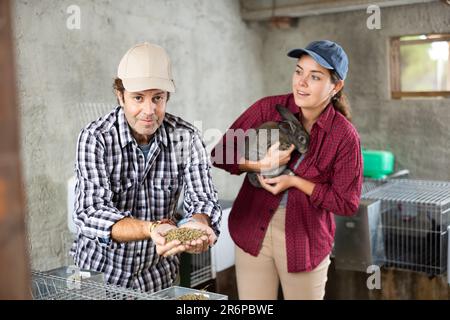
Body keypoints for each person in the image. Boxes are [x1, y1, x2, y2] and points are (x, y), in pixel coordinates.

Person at [211, 40, 363, 300]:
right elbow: (220, 153)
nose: (301, 83)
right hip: (252, 227)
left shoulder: (344, 136)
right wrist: (259, 165)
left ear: (336, 86)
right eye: (298, 71)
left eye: (314, 76)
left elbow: (346, 203)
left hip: (303, 239)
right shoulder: (267, 108)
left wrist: (295, 182)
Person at [70, 42, 221, 293]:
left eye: (157, 98)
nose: (149, 111)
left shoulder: (187, 137)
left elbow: (203, 198)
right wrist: (150, 228)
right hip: (100, 277)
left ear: (167, 96)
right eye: (138, 98)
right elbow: (90, 212)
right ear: (120, 95)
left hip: (157, 279)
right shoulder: (95, 138)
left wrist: (197, 223)